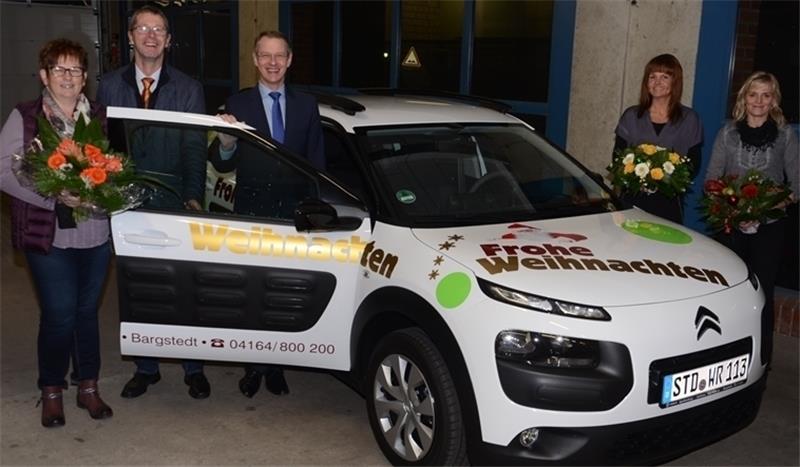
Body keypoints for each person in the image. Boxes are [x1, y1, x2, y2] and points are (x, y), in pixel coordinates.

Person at [97, 4, 210, 400]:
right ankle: (146, 368)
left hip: (175, 199)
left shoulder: (188, 89)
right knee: (138, 289)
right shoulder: (109, 86)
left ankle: (193, 367)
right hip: (126, 205)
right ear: (129, 36)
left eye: (158, 29)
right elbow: (101, 148)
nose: (150, 35)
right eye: (142, 28)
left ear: (168, 40)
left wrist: (194, 196)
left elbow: (195, 148)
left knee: (185, 287)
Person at [0, 38, 113, 428]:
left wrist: (110, 186)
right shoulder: (27, 117)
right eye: (59, 69)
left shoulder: (99, 117)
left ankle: (88, 386)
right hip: (49, 236)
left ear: (85, 78)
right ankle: (51, 389)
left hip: (96, 235)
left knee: (86, 313)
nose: (68, 77)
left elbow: (116, 166)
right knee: (60, 314)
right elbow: (4, 171)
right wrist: (53, 193)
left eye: (76, 70)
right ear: (44, 75)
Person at [210, 30, 325, 397]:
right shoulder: (237, 104)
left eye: (280, 56)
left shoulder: (307, 105)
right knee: (254, 293)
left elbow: (316, 164)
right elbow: (220, 161)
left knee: (283, 294)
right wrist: (226, 143)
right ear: (255, 60)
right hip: (252, 213)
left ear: (290, 60)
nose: (273, 62)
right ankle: (253, 367)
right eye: (265, 56)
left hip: (293, 216)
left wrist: (316, 214)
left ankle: (275, 365)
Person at [705, 71, 798, 364]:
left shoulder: (785, 135)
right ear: (744, 98)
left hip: (769, 228)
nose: (759, 101)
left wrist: (766, 208)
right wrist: (736, 212)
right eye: (753, 94)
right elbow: (711, 181)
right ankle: (723, 353)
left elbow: (796, 185)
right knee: (728, 289)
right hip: (730, 224)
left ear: (774, 101)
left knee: (762, 289)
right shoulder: (728, 133)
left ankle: (761, 357)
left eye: (766, 95)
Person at [614, 53, 703, 223]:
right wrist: (637, 177)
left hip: (668, 200)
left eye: (665, 77)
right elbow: (618, 156)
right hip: (633, 197)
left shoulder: (690, 119)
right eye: (652, 76)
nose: (657, 82)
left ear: (674, 82)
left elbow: (694, 163)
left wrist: (668, 179)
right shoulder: (631, 116)